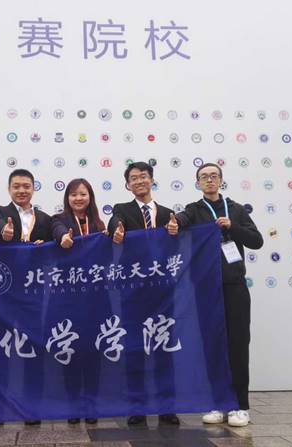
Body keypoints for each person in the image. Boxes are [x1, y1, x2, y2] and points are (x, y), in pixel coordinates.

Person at [170, 162, 263, 427]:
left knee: (237, 345)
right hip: (205, 289)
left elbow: (256, 241)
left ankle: (240, 405)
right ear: (198, 182)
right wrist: (175, 224)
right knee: (211, 345)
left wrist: (232, 227)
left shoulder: (236, 209)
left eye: (213, 176)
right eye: (204, 177)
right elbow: (182, 220)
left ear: (221, 180)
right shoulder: (195, 209)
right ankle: (216, 402)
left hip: (234, 287)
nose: (209, 180)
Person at [107, 161, 180, 427]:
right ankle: (136, 406)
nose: (139, 181)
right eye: (134, 178)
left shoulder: (169, 214)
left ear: (152, 180)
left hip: (162, 292)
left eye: (144, 176)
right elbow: (114, 222)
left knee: (163, 349)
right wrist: (116, 229)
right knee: (134, 349)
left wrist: (176, 231)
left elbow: (176, 248)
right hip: (133, 291)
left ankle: (166, 406)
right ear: (128, 185)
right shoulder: (122, 210)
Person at [0, 168, 52, 426]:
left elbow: (55, 247)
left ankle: (32, 407)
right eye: (17, 186)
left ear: (33, 188)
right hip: (3, 291)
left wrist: (45, 247)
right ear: (9, 189)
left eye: (26, 186)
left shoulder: (45, 219)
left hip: (33, 292)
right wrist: (5, 232)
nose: (22, 190)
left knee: (32, 348)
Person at [51, 178, 106, 425]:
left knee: (93, 352)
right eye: (73, 194)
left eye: (83, 194)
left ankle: (91, 404)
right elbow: (56, 230)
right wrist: (63, 237)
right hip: (69, 299)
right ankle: (73, 404)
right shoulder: (59, 220)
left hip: (95, 299)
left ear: (90, 196)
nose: (78, 198)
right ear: (68, 199)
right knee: (71, 351)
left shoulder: (99, 224)